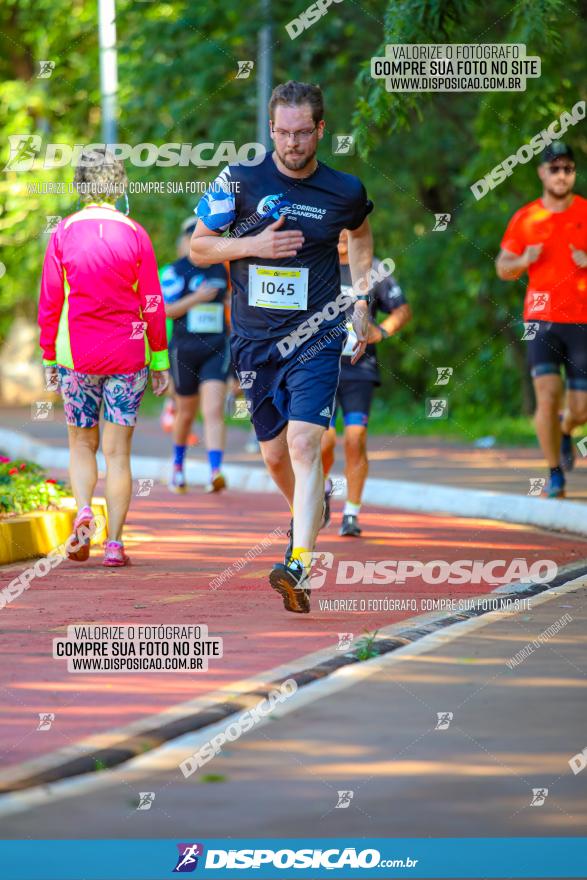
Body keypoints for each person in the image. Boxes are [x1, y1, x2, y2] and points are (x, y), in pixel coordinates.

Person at [191, 80, 374, 613]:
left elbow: (361, 237)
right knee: (274, 455)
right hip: (254, 341)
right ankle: (309, 510)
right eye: (283, 133)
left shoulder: (344, 190)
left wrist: (360, 299)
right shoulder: (240, 180)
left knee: (303, 445)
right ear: (270, 129)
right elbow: (199, 247)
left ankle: (299, 562)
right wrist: (253, 245)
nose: (292, 143)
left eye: (302, 133)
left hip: (316, 334)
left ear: (320, 130)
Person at [38, 147, 169, 566]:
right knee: (117, 453)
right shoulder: (135, 234)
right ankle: (114, 544)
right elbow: (152, 301)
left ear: (79, 186)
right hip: (128, 356)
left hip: (76, 355)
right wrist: (161, 360)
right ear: (120, 185)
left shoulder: (62, 234)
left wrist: (47, 355)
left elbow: (50, 301)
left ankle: (82, 512)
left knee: (81, 442)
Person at [496, 142, 587, 498]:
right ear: (542, 173)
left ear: (573, 174)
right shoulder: (526, 218)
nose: (561, 174)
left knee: (580, 410)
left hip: (581, 320)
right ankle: (554, 474)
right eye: (554, 168)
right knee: (547, 397)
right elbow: (503, 267)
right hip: (541, 319)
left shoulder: (584, 211)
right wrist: (523, 261)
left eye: (567, 168)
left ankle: (567, 431)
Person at [322, 230, 412, 536]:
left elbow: (402, 309)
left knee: (355, 439)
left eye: (346, 230)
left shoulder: (372, 268)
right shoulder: (315, 263)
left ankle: (351, 513)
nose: (340, 236)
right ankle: (320, 490)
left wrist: (382, 332)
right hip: (320, 367)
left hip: (359, 367)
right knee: (323, 440)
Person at [160, 217, 230, 492]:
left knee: (213, 409)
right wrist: (198, 298)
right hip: (184, 350)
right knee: (186, 412)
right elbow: (166, 310)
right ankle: (178, 466)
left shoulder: (220, 269)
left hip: (216, 346)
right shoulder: (174, 272)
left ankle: (215, 471)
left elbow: (230, 301)